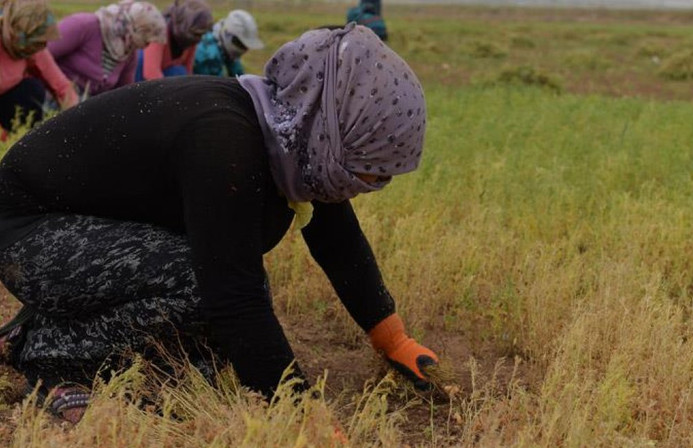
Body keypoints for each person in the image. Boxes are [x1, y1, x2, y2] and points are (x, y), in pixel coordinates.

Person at [0, 24, 438, 423]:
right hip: (30, 232)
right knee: (199, 285)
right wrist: (303, 419)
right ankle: (44, 356)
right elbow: (232, 293)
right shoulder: (224, 139)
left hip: (86, 231)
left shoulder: (291, 132)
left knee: (213, 364)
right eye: (370, 169)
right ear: (335, 133)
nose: (373, 184)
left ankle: (44, 328)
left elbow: (336, 237)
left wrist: (392, 339)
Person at [47, 1, 167, 99]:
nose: (145, 46)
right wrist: (63, 88)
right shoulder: (85, 25)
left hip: (86, 106)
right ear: (135, 29)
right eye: (145, 40)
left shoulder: (128, 53)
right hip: (54, 95)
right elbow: (44, 54)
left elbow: (124, 92)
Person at [0, 0, 78, 135]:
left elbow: (61, 86)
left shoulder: (33, 49)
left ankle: (23, 137)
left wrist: (75, 120)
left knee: (31, 89)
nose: (39, 47)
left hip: (7, 103)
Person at [135, 0, 211, 80]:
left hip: (163, 78)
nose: (198, 39)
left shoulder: (191, 39)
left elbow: (188, 71)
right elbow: (150, 73)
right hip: (142, 78)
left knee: (180, 72)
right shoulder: (159, 31)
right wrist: (168, 91)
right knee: (140, 59)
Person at [193, 9, 262, 78]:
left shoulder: (223, 48)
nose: (244, 49)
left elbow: (238, 77)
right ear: (228, 35)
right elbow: (214, 85)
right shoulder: (209, 54)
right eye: (241, 44)